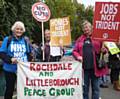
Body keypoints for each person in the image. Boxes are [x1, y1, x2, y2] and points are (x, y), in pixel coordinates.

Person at [72, 20, 108, 99]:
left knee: (96, 88)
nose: (85, 29)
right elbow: (74, 51)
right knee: (85, 89)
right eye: (84, 28)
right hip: (84, 69)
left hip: (95, 68)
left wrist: (104, 50)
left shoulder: (98, 37)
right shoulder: (80, 39)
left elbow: (105, 50)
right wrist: (78, 56)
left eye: (87, 27)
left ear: (91, 27)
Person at [0, 21, 32, 99]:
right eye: (17, 29)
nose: (19, 31)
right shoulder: (8, 39)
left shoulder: (25, 41)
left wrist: (28, 62)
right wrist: (10, 59)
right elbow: (2, 53)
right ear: (14, 29)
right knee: (10, 90)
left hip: (22, 70)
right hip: (10, 69)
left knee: (23, 89)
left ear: (23, 31)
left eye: (21, 29)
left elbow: (28, 54)